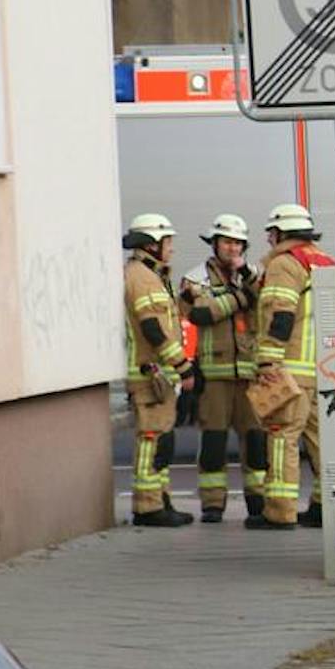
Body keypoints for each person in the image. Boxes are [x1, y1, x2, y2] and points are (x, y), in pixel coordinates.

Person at [179, 214, 264, 522]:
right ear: (214, 243)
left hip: (250, 376)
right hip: (214, 376)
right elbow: (200, 313)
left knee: (256, 442)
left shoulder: (254, 275)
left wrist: (248, 281)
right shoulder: (195, 279)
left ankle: (259, 501)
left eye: (238, 243)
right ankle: (213, 504)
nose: (233, 248)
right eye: (227, 242)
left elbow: (269, 300)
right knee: (214, 442)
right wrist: (240, 297)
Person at [248, 202, 324, 531]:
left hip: (290, 369)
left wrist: (268, 361)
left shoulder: (284, 264)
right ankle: (324, 506)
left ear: (280, 233)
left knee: (282, 437)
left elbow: (280, 314)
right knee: (322, 441)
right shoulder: (323, 261)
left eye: (271, 234)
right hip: (324, 369)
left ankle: (279, 511)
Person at [121, 213, 193, 528]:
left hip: (158, 377)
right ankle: (148, 507)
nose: (172, 249)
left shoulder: (151, 275)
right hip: (150, 376)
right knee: (152, 439)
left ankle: (159, 500)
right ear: (152, 244)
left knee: (162, 440)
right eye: (168, 242)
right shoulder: (142, 277)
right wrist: (182, 364)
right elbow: (152, 328)